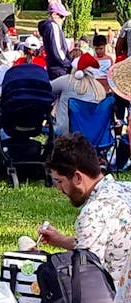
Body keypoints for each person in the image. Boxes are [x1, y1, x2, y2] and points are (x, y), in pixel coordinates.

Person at [38, 135, 131, 285]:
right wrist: (61, 240)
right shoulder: (126, 188)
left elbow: (83, 277)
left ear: (77, 178)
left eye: (60, 181)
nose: (59, 188)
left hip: (117, 302)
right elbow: (98, 246)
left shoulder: (93, 213)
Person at [51, 52, 106, 135]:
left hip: (67, 137)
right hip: (94, 137)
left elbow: (46, 88)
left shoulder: (67, 81)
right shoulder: (100, 88)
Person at [38, 0, 72, 80]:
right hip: (60, 69)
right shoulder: (53, 27)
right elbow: (58, 50)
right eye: (62, 16)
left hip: (53, 68)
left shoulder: (47, 27)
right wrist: (69, 65)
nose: (63, 19)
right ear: (54, 14)